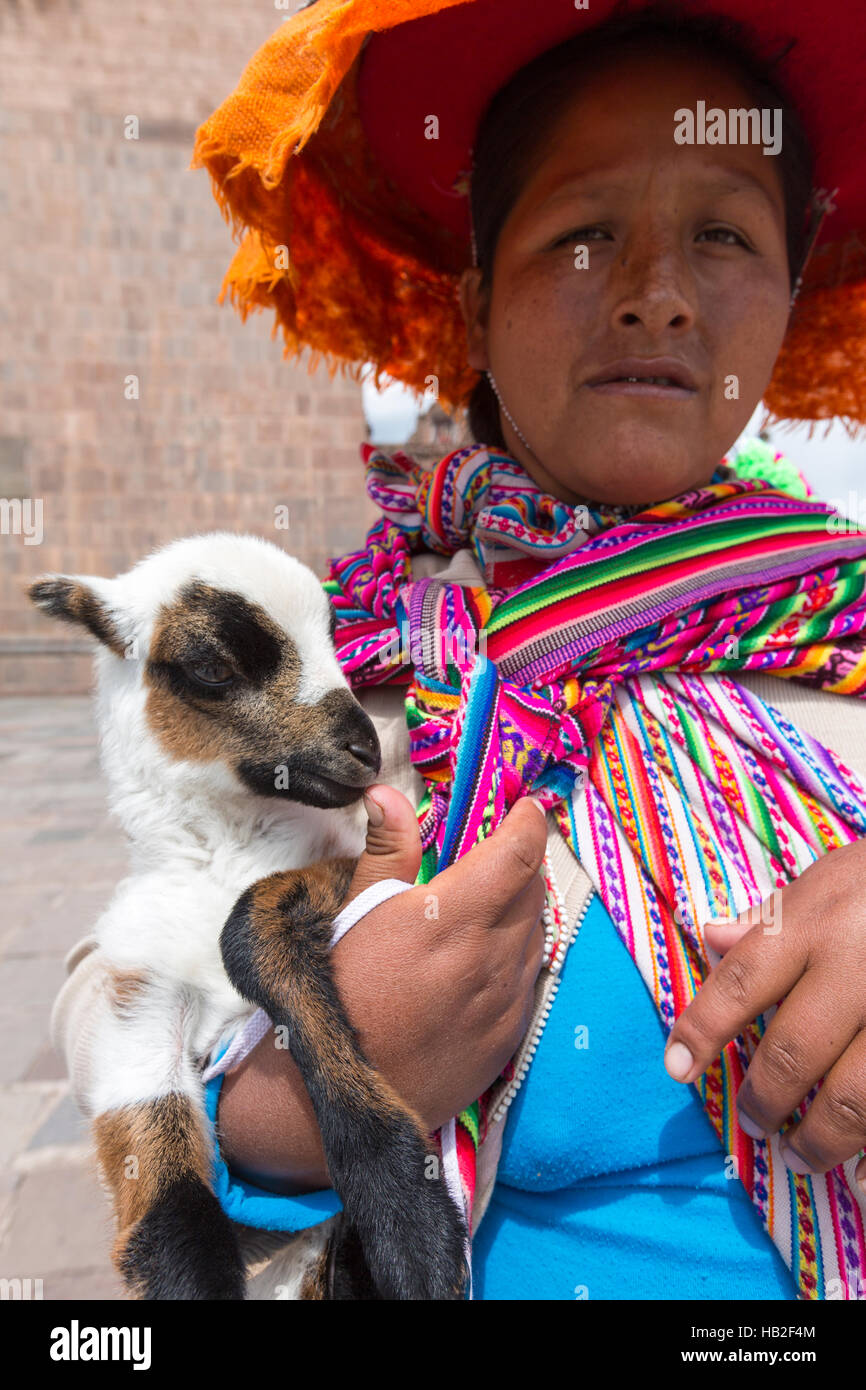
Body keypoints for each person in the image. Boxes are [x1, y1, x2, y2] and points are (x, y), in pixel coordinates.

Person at [55, 0, 866, 1299]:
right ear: (480, 299)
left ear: (791, 272)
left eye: (719, 232)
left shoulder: (840, 625)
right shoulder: (354, 669)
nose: (655, 295)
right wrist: (325, 1086)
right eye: (583, 235)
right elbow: (124, 990)